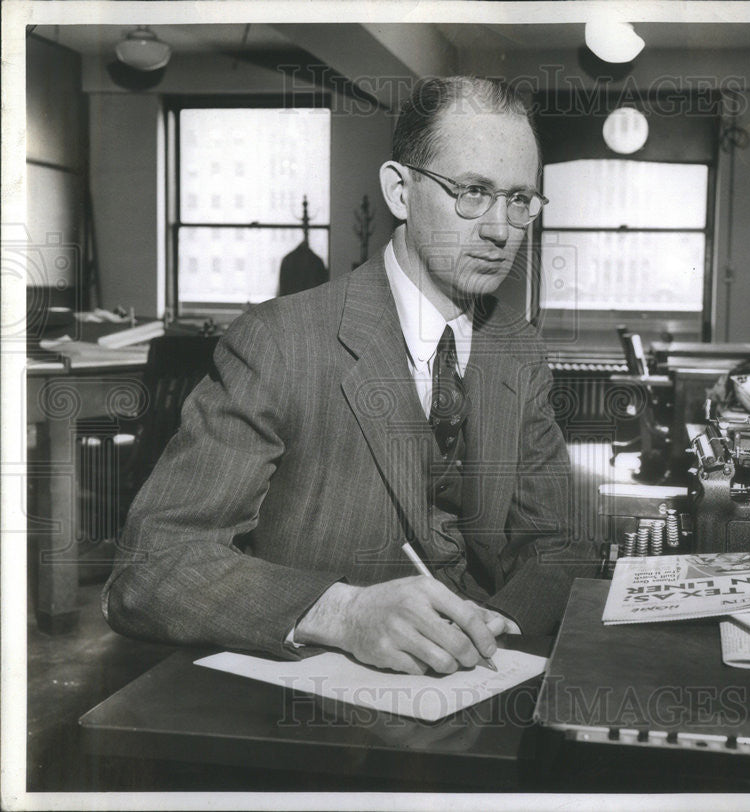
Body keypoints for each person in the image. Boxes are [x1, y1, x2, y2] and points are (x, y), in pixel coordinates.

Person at [103, 76, 591, 676]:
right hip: (319, 721)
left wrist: (498, 623)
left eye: (520, 199)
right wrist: (344, 612)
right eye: (472, 191)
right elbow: (150, 569)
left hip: (478, 690)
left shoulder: (518, 350)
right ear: (400, 191)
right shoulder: (280, 343)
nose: (500, 228)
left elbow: (558, 544)